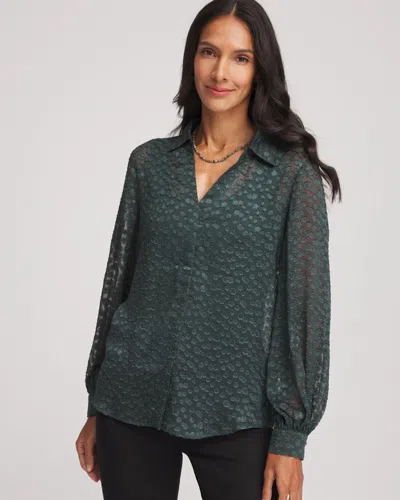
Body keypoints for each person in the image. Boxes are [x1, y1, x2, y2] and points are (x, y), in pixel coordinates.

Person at [75, 1, 342, 499]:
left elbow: (306, 308)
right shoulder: (149, 164)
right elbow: (119, 285)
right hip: (130, 402)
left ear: (260, 70)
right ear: (191, 60)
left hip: (238, 412)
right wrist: (97, 404)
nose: (221, 72)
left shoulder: (291, 175)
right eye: (208, 52)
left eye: (240, 58)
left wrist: (291, 437)